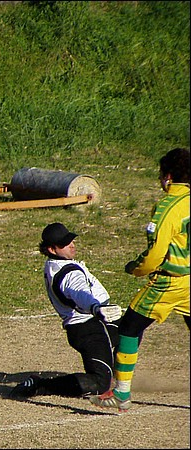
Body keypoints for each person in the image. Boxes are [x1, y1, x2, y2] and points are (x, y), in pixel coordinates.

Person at [90, 148, 190, 412]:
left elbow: (156, 252)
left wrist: (137, 269)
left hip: (171, 282)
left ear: (168, 177)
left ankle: (121, 394)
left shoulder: (168, 206)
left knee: (128, 329)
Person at [10, 222, 122, 399]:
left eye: (71, 240)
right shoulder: (68, 274)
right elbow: (80, 294)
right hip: (88, 329)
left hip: (96, 322)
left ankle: (120, 376)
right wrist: (96, 307)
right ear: (52, 249)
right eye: (65, 244)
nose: (72, 245)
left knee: (131, 329)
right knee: (100, 384)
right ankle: (40, 385)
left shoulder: (56, 264)